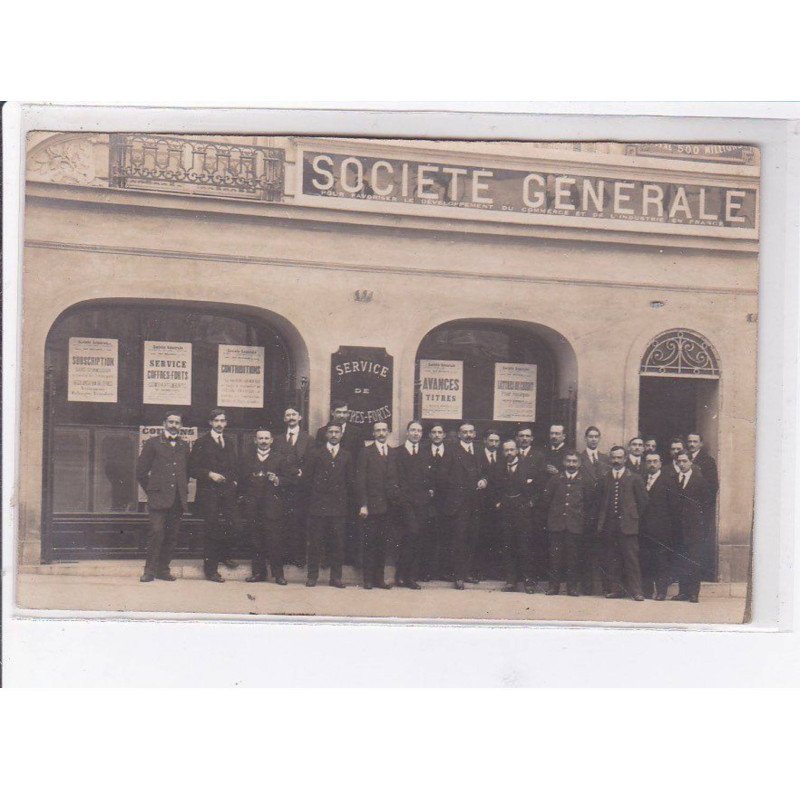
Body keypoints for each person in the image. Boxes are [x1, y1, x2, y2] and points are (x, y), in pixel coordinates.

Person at [189, 408, 242, 582]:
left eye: (223, 421)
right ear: (210, 422)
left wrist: (234, 481)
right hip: (208, 493)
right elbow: (192, 468)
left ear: (226, 423)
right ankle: (211, 570)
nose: (220, 424)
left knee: (235, 524)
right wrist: (210, 474)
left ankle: (223, 554)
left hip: (227, 493)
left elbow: (234, 465)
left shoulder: (229, 441)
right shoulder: (201, 442)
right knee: (211, 530)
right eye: (216, 421)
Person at [239, 428, 298, 585]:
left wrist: (278, 479)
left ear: (272, 440)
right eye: (260, 438)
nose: (263, 441)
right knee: (255, 540)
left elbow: (292, 480)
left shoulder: (280, 458)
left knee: (275, 541)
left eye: (266, 438)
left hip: (273, 507)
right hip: (253, 506)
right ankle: (258, 573)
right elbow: (241, 480)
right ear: (255, 441)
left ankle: (278, 575)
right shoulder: (247, 458)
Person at [135, 413, 189, 582]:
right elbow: (141, 471)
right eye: (170, 422)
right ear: (164, 423)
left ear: (180, 425)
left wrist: (180, 489)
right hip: (158, 499)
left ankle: (163, 570)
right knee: (157, 533)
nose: (173, 425)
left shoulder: (184, 445)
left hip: (177, 499)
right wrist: (152, 490)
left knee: (171, 536)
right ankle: (149, 571)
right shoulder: (153, 443)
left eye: (177, 422)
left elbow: (185, 472)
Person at [303, 423, 354, 588]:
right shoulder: (315, 454)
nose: (333, 435)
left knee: (337, 543)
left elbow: (350, 482)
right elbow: (307, 480)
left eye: (336, 432)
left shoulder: (347, 455)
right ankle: (312, 576)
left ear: (341, 435)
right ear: (326, 434)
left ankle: (336, 578)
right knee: (315, 543)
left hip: (338, 507)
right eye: (330, 432)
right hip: (318, 506)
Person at [596, 445, 648, 601]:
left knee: (631, 559)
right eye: (613, 458)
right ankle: (616, 589)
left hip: (628, 525)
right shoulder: (605, 478)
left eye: (619, 458)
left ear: (625, 459)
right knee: (613, 558)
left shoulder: (635, 478)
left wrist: (632, 517)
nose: (616, 461)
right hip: (610, 525)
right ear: (610, 459)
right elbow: (599, 501)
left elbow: (643, 502)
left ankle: (636, 591)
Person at [442, 422, 488, 590]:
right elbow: (444, 476)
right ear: (459, 435)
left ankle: (467, 572)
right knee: (459, 539)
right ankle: (458, 575)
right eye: (465, 432)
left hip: (475, 502)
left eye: (471, 432)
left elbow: (485, 472)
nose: (468, 435)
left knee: (472, 538)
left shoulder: (479, 450)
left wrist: (484, 480)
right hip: (458, 503)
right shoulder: (451, 451)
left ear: (474, 434)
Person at [540, 450, 593, 596]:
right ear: (564, 463)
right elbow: (546, 501)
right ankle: (553, 587)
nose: (571, 464)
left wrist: (583, 522)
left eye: (574, 461)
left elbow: (589, 505)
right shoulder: (556, 479)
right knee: (555, 557)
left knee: (573, 558)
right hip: (556, 525)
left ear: (579, 463)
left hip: (575, 526)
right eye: (568, 461)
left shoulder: (585, 481)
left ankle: (572, 587)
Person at [356, 421, 400, 589]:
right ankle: (367, 579)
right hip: (372, 506)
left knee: (383, 544)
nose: (381, 433)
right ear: (373, 433)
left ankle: (379, 579)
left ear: (388, 432)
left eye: (384, 430)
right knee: (370, 543)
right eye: (377, 431)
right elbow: (360, 480)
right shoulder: (366, 452)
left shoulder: (394, 453)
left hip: (389, 506)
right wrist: (363, 504)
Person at [490, 440, 537, 593]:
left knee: (525, 546)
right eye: (506, 450)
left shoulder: (528, 465)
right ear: (503, 452)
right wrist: (497, 501)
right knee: (508, 545)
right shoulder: (498, 467)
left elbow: (539, 486)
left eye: (512, 450)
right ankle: (510, 581)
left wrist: (531, 502)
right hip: (506, 510)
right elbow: (494, 486)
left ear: (517, 450)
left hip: (523, 511)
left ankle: (528, 582)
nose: (509, 453)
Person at [393, 421, 434, 590]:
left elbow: (431, 476)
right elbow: (393, 478)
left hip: (422, 503)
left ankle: (409, 576)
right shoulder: (397, 452)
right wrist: (401, 498)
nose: (416, 433)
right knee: (410, 534)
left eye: (419, 431)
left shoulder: (426, 453)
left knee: (416, 538)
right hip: (404, 503)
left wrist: (430, 490)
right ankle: (402, 575)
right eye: (413, 430)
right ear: (407, 432)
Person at [276, 406, 313, 567]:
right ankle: (284, 556)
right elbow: (275, 460)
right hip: (283, 486)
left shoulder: (309, 439)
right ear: (284, 419)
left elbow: (312, 461)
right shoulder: (277, 440)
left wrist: (302, 472)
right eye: (287, 414)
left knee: (300, 521)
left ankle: (299, 557)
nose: (291, 417)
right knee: (283, 521)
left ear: (300, 418)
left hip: (301, 487)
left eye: (293, 414)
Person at [640, 453, 679, 600]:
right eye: (649, 461)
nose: (652, 464)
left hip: (662, 530)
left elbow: (674, 507)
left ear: (660, 463)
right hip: (643, 529)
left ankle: (662, 591)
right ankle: (647, 590)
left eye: (655, 461)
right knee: (645, 559)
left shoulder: (669, 481)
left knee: (661, 561)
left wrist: (669, 529)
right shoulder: (641, 479)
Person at [672, 452, 710, 603]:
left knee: (693, 561)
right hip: (679, 529)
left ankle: (694, 593)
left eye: (684, 461)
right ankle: (683, 592)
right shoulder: (674, 480)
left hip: (694, 529)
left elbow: (706, 506)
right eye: (679, 461)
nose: (682, 464)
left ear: (690, 462)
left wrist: (702, 525)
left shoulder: (700, 481)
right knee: (681, 560)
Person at [578, 425, 609, 594]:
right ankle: (587, 587)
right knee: (586, 550)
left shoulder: (605, 459)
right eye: (590, 436)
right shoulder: (578, 458)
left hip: (603, 512)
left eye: (596, 436)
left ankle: (605, 587)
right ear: (585, 438)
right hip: (586, 511)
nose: (593, 439)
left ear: (599, 438)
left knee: (604, 550)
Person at [687, 432, 719, 577]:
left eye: (695, 441)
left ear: (701, 444)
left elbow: (713, 487)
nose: (692, 444)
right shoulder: (683, 459)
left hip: (700, 509)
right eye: (690, 441)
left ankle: (702, 573)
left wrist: (701, 505)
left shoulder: (707, 461)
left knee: (699, 542)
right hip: (685, 509)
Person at [423, 424, 451, 581]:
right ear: (429, 435)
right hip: (428, 501)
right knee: (428, 536)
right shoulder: (423, 450)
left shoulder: (452, 451)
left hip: (447, 501)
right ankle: (427, 571)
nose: (437, 435)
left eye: (440, 432)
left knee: (446, 536)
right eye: (433, 432)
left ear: (444, 435)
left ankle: (444, 571)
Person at [477, 429, 502, 578]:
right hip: (480, 503)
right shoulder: (477, 455)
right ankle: (479, 571)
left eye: (496, 441)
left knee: (496, 536)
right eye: (491, 440)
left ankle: (495, 571)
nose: (493, 444)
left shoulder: (503, 456)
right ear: (485, 441)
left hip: (497, 504)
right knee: (480, 536)